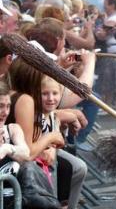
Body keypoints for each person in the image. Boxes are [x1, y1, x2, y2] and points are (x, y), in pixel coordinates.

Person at [41, 76, 87, 209]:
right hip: (39, 155)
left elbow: (60, 141)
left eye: (55, 93)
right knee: (59, 166)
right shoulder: (38, 114)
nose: (50, 98)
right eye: (45, 94)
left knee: (76, 167)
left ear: (60, 95)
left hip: (51, 152)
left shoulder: (53, 116)